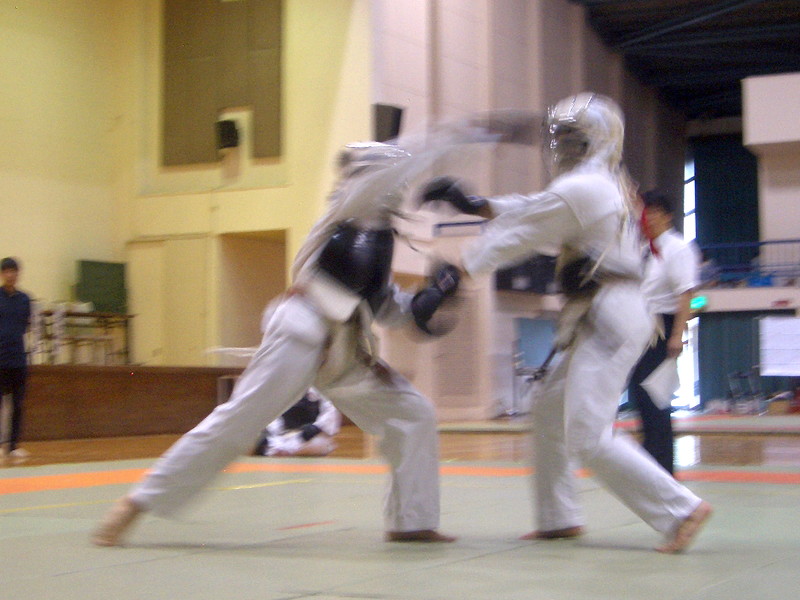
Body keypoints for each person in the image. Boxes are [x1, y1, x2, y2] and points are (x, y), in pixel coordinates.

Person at [92, 139, 463, 547]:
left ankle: (412, 521)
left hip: (345, 351)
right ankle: (136, 503)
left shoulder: (378, 237)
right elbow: (381, 184)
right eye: (396, 179)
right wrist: (461, 136)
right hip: (300, 334)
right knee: (239, 420)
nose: (400, 187)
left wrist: (433, 298)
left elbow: (384, 305)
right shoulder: (344, 212)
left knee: (413, 414)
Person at [421, 93, 712, 553]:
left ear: (596, 140)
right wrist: (476, 203)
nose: (564, 148)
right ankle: (559, 518)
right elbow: (536, 207)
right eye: (562, 139)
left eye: (573, 139)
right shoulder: (603, 183)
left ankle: (680, 508)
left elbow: (523, 229)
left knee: (587, 434)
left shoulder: (588, 188)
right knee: (547, 411)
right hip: (595, 313)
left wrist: (456, 274)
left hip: (611, 316)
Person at [628, 189, 701, 475]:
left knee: (655, 398)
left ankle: (661, 466)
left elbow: (687, 294)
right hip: (640, 327)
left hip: (662, 326)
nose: (646, 219)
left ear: (666, 216)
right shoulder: (644, 249)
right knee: (640, 396)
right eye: (643, 214)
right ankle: (650, 459)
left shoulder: (677, 248)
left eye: (651, 213)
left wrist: (677, 335)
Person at [0, 257, 32, 461]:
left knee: (17, 404)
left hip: (18, 359)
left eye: (14, 271)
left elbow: (25, 325)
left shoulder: (24, 299)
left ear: (18, 274)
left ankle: (13, 446)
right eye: (7, 271)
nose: (11, 274)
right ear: (3, 274)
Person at [253, 388, 341, 457]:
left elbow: (330, 412)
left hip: (311, 436)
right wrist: (272, 431)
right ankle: (283, 451)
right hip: (285, 435)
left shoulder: (320, 391)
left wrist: (316, 428)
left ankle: (283, 452)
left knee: (319, 444)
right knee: (265, 441)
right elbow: (273, 415)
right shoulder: (281, 390)